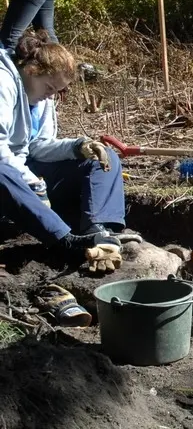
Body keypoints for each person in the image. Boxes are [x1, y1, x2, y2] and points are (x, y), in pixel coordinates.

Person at [0, 30, 124, 273]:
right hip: (6, 176)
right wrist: (31, 181)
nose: (51, 95)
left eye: (57, 90)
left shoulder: (42, 97)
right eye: (49, 87)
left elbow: (40, 146)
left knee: (103, 159)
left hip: (23, 170)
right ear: (31, 70)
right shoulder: (3, 83)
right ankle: (64, 240)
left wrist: (78, 147)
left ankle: (99, 231)